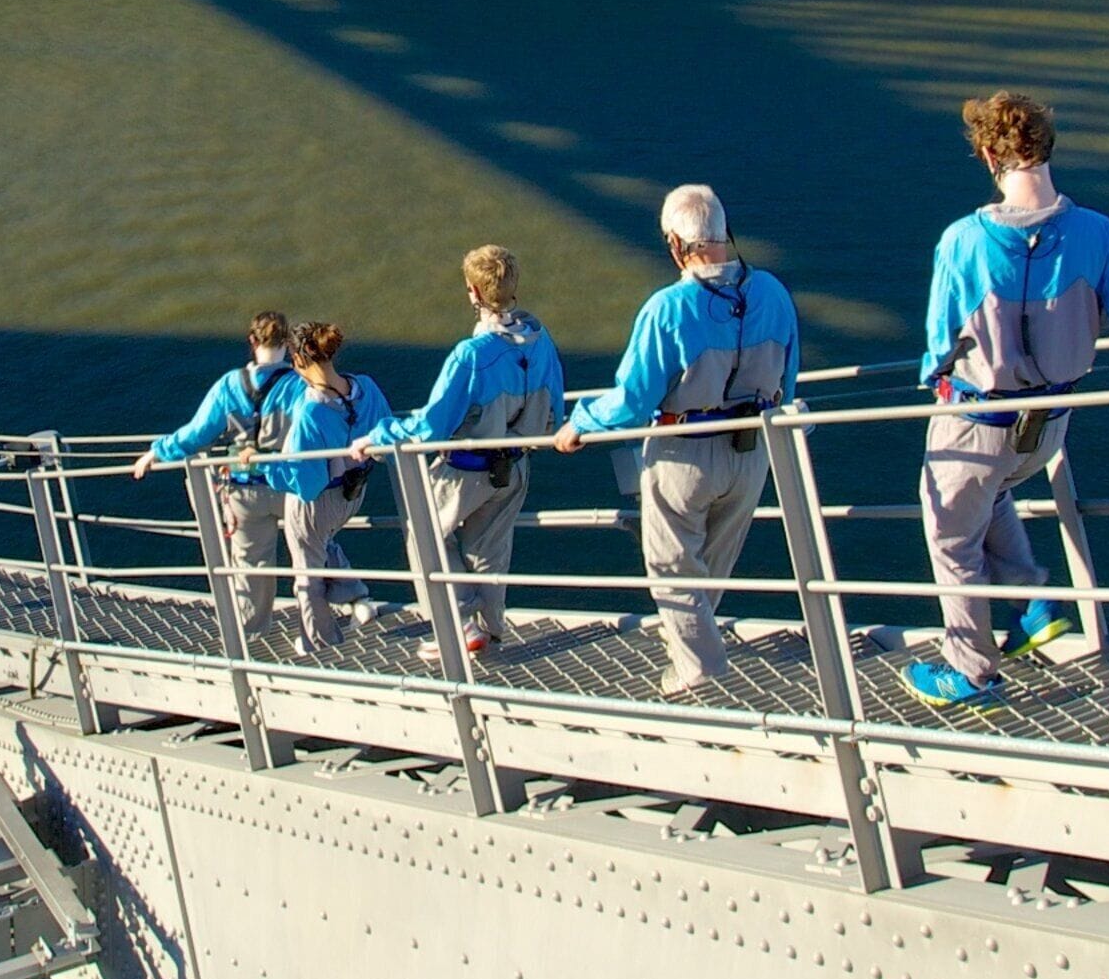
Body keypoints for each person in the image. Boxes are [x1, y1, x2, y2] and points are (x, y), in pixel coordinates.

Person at [900, 91, 1109, 711]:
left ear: (986, 154)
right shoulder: (1098, 235)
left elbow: (937, 349)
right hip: (1049, 425)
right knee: (997, 490)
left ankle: (971, 672)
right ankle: (1033, 601)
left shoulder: (962, 242)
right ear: (1048, 148)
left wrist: (942, 371)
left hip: (975, 421)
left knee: (952, 540)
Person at [554, 186, 801, 696]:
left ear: (675, 243)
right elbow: (788, 378)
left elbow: (631, 400)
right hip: (752, 450)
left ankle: (698, 671)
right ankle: (692, 651)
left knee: (671, 567)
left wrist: (580, 423)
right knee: (712, 564)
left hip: (684, 451)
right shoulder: (773, 292)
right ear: (724, 234)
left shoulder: (667, 308)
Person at [355, 245, 567, 656]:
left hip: (466, 470)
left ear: (473, 291)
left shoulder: (470, 356)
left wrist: (378, 436)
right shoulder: (541, 342)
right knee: (490, 550)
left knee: (426, 537)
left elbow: (432, 425)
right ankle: (491, 630)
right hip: (515, 468)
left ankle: (459, 625)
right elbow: (554, 411)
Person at [134, 312, 302, 626]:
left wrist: (156, 453)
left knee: (252, 562)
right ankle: (317, 624)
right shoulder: (297, 384)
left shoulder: (229, 385)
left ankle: (251, 632)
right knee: (308, 555)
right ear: (288, 344)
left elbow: (197, 433)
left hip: (243, 487)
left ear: (252, 341)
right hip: (290, 483)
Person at [273, 322, 394, 648]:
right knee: (321, 542)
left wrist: (262, 468)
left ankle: (318, 642)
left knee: (306, 571)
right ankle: (357, 599)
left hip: (317, 503)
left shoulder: (312, 411)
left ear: (298, 360)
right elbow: (387, 439)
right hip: (353, 494)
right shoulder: (365, 388)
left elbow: (306, 484)